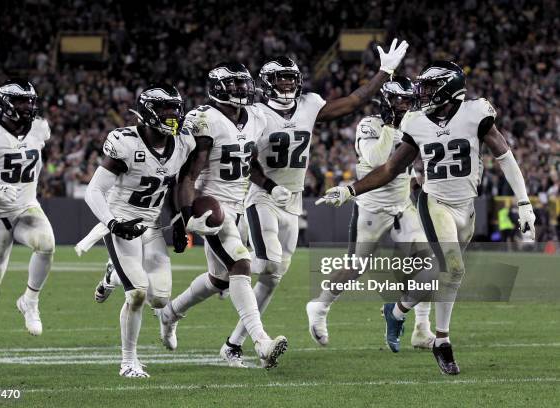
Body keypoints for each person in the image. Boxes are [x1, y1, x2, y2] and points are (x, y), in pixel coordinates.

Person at [315, 61, 536, 375]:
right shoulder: (416, 121)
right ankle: (441, 341)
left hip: (466, 207)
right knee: (453, 269)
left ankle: (398, 309)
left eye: (431, 86)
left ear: (449, 88)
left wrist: (524, 203)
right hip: (435, 203)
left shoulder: (476, 113)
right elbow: (390, 169)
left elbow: (504, 155)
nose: (423, 92)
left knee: (438, 276)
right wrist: (350, 190)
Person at [219, 38, 410, 367]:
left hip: (292, 201)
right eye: (281, 79)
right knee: (265, 264)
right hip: (262, 195)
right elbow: (241, 156)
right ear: (266, 83)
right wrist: (267, 183)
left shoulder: (308, 105)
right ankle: (226, 276)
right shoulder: (255, 114)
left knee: (274, 275)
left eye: (291, 78)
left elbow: (352, 101)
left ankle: (234, 344)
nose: (287, 84)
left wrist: (385, 72)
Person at [158, 62, 289, 369]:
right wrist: (187, 216)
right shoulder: (205, 120)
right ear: (218, 89)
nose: (242, 90)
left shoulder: (255, 117)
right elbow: (188, 175)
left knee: (219, 280)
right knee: (242, 264)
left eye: (243, 84)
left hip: (238, 204)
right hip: (210, 205)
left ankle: (169, 313)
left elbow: (248, 162)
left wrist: (270, 186)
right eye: (234, 85)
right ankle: (260, 342)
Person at [307, 76, 434, 351]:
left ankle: (422, 328)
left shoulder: (414, 123)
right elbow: (378, 162)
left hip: (402, 205)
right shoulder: (369, 125)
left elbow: (409, 162)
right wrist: (389, 126)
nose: (405, 104)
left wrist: (416, 179)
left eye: (408, 99)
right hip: (373, 206)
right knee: (356, 266)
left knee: (428, 263)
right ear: (387, 100)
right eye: (399, 99)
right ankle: (319, 306)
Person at [84, 84, 193, 378]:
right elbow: (94, 191)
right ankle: (128, 361)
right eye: (165, 109)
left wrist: (181, 220)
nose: (172, 114)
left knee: (160, 298)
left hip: (153, 224)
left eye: (175, 108)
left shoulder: (183, 143)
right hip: (122, 220)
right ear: (147, 112)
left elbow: (176, 185)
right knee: (137, 295)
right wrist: (113, 223)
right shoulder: (125, 143)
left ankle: (112, 274)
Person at [0, 79, 55, 353]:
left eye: (30, 100)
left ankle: (30, 300)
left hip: (26, 207)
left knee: (47, 245)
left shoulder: (40, 128)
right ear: (6, 103)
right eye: (21, 101)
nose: (28, 106)